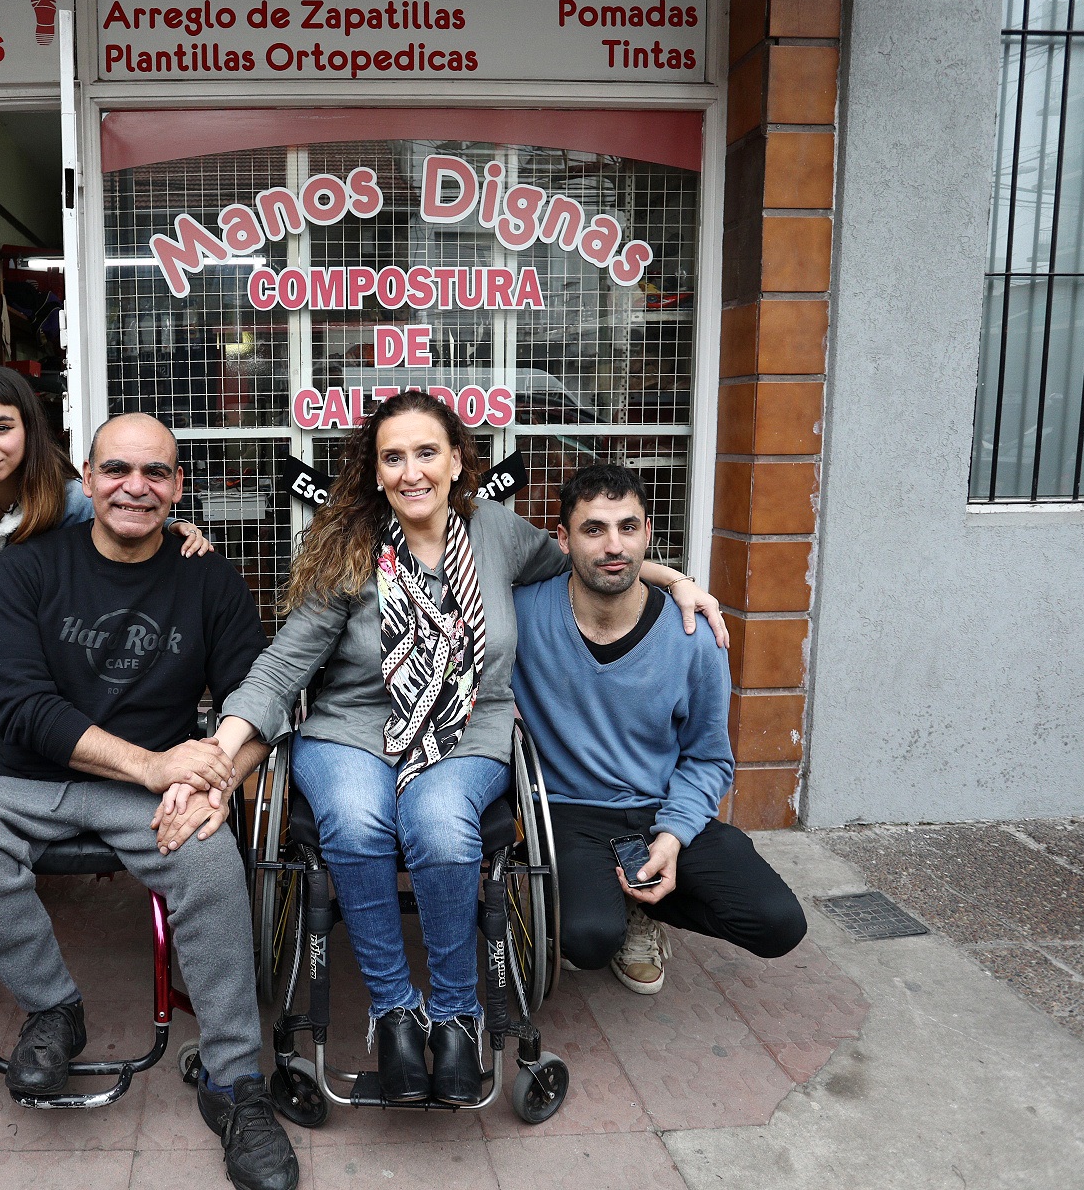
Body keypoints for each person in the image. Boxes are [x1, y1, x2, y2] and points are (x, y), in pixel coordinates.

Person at [206, 391, 724, 1106]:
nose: (411, 471)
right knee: (356, 823)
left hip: (469, 728)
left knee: (439, 827)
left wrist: (673, 579)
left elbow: (586, 560)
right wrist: (222, 750)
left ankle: (455, 1013)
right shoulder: (347, 545)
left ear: (456, 460)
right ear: (375, 470)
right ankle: (394, 1010)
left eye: (426, 453)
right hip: (354, 727)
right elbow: (284, 665)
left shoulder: (499, 535)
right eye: (394, 457)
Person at [0, 413, 298, 1190]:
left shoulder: (209, 577)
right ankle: (53, 1009)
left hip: (155, 795)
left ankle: (235, 1085)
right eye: (117, 470)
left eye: (157, 473)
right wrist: (155, 765)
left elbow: (258, 700)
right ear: (88, 478)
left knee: (211, 861)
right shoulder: (32, 568)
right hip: (33, 777)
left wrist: (218, 780)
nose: (136, 487)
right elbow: (22, 705)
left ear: (176, 487)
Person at [0, 367, 211, 981]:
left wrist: (177, 532)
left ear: (29, 431)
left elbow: (128, 521)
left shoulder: (71, 496)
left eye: (1, 427)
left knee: (49, 740)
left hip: (51, 661)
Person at [512, 463, 807, 997]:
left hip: (658, 805)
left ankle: (645, 903)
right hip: (568, 812)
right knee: (588, 940)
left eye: (628, 527)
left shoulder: (694, 636)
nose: (612, 546)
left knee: (778, 923)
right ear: (563, 539)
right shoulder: (523, 616)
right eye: (593, 529)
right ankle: (614, 910)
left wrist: (672, 838)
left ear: (649, 534)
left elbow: (709, 758)